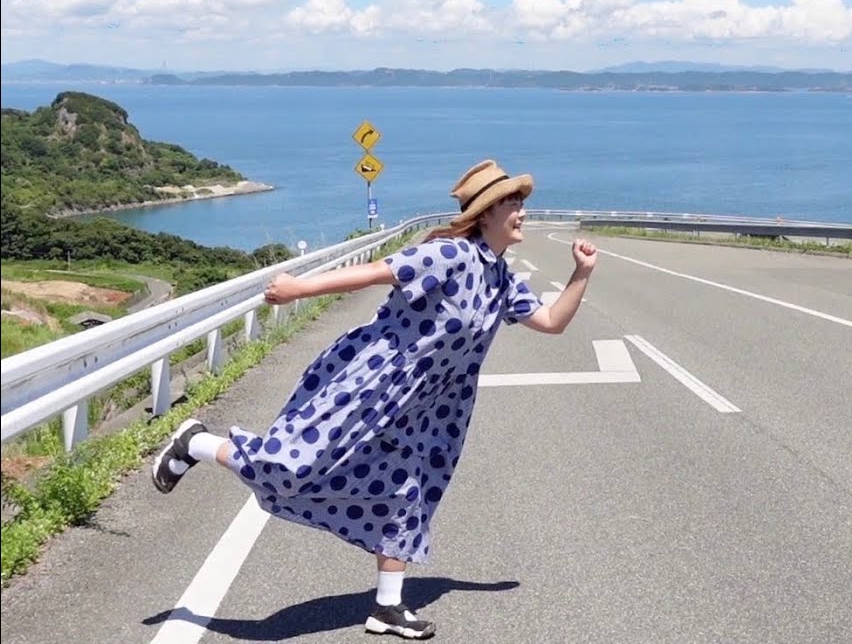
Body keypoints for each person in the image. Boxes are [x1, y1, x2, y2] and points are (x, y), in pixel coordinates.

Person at [150, 159, 597, 639]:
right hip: (374, 383)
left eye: (522, 204)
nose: (522, 213)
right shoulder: (448, 255)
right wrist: (300, 287)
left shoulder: (501, 279)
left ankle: (387, 607)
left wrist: (581, 273)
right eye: (513, 204)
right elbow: (375, 273)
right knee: (291, 465)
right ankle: (194, 444)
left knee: (411, 496)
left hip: (438, 408)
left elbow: (552, 322)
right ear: (485, 214)